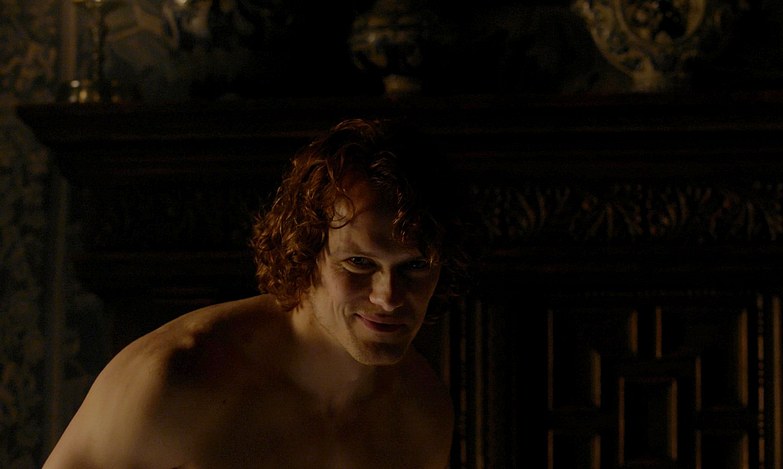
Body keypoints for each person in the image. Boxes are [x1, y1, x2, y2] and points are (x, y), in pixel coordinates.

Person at [43, 117, 476, 468]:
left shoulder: (421, 412)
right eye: (359, 263)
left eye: (415, 266)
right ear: (307, 253)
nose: (388, 296)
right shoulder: (171, 381)